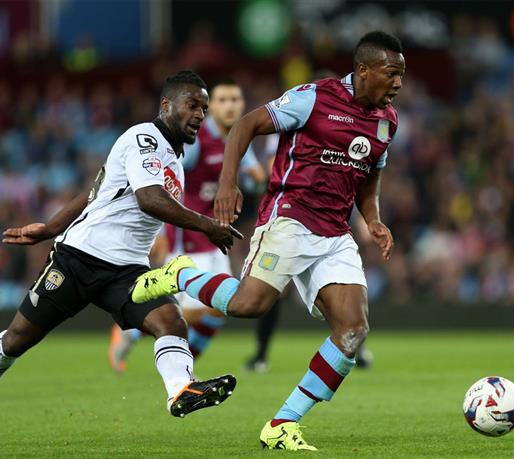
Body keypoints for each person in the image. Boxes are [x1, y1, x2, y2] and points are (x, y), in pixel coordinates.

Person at [130, 31, 404, 450]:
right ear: (363, 70)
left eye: (401, 74)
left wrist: (374, 219)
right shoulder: (314, 98)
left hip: (335, 232)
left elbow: (369, 178)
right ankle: (181, 274)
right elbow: (246, 124)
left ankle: (282, 423)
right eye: (392, 73)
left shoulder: (388, 120)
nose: (399, 83)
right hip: (290, 219)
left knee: (352, 330)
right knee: (248, 305)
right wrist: (228, 184)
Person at [0, 70, 242, 437]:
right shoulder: (143, 137)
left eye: (204, 109)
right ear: (166, 104)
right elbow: (150, 199)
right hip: (79, 258)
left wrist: (50, 226)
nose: (199, 115)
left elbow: (95, 191)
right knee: (18, 339)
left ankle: (181, 390)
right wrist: (207, 224)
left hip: (126, 271)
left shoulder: (173, 160)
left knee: (171, 321)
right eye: (193, 104)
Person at [108, 79, 266, 372]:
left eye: (235, 99)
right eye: (222, 100)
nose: (230, 106)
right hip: (190, 232)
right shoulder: (194, 143)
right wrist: (162, 232)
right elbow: (167, 186)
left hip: (215, 234)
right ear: (212, 107)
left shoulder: (237, 139)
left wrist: (255, 180)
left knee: (220, 308)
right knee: (200, 308)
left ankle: (184, 361)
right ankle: (133, 329)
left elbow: (255, 175)